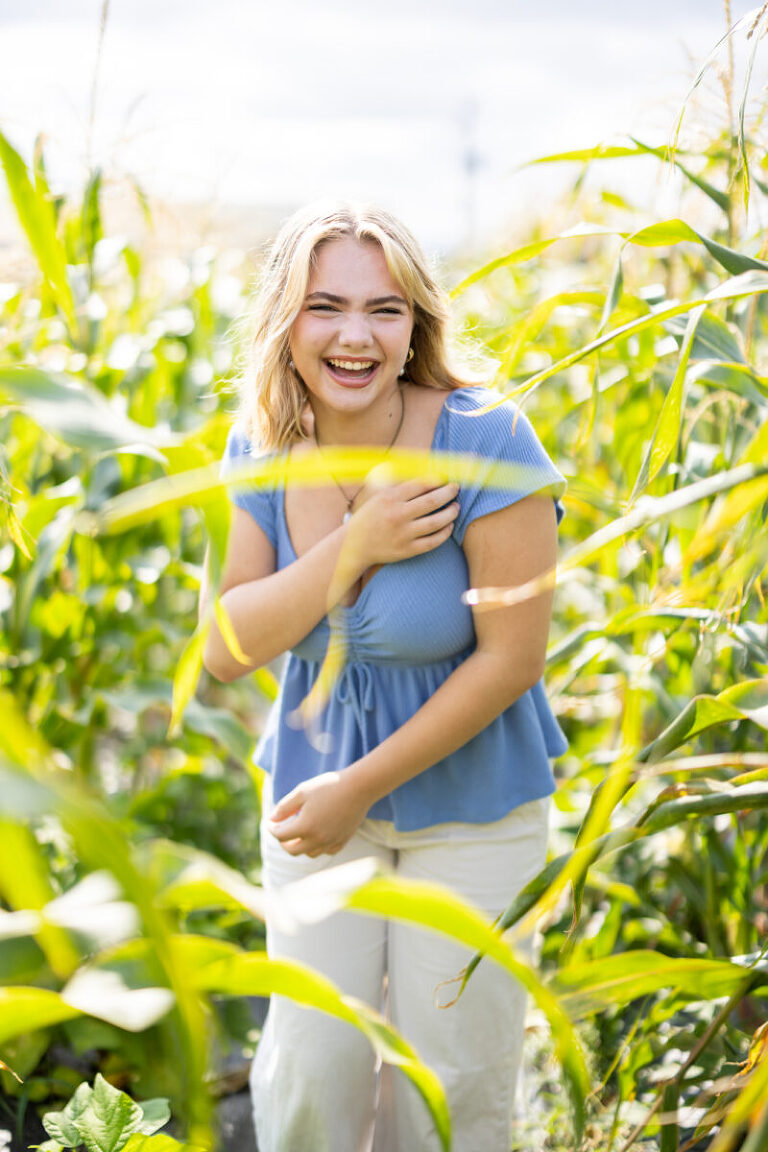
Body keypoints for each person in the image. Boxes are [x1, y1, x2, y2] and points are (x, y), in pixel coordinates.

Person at [200, 202, 567, 1152]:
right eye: (325, 306)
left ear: (417, 328)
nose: (355, 335)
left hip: (472, 808)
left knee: (447, 1092)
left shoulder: (484, 438)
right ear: (286, 321)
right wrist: (353, 549)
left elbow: (512, 658)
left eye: (385, 309)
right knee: (312, 1077)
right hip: (314, 810)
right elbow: (227, 646)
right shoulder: (265, 442)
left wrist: (357, 788)